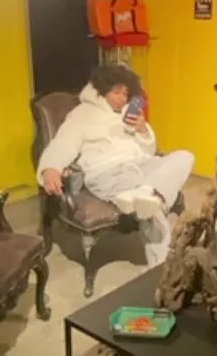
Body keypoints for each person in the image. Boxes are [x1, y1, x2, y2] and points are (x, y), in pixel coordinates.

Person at [37, 64, 194, 267]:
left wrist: (142, 130)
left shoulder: (127, 114)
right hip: (108, 172)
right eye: (117, 92)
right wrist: (50, 168)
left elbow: (148, 152)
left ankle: (146, 193)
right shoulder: (82, 115)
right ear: (101, 91)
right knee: (152, 212)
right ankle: (161, 270)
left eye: (126, 94)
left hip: (140, 164)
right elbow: (62, 144)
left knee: (185, 157)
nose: (122, 98)